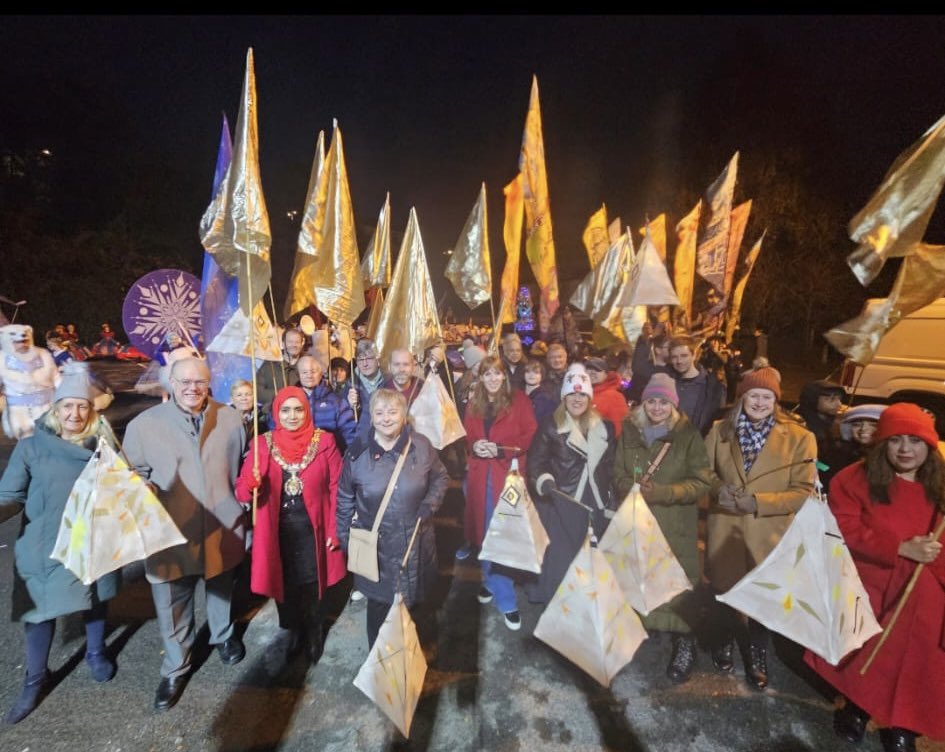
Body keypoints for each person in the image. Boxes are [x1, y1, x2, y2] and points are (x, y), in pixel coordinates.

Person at [806, 403, 945, 752]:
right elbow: (843, 527)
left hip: (927, 596)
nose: (905, 449)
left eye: (914, 440)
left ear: (929, 444)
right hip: (874, 584)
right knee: (866, 653)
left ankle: (903, 726)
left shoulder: (941, 486)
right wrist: (899, 548)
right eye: (895, 440)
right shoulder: (856, 478)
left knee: (914, 665)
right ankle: (857, 708)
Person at [122, 357, 247, 712]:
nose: (192, 388)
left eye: (200, 382)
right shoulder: (144, 425)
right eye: (184, 382)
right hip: (170, 529)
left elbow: (237, 464)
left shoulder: (230, 417)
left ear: (209, 384)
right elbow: (131, 473)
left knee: (221, 585)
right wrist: (141, 485)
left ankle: (222, 636)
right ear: (171, 384)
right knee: (172, 601)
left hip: (221, 522)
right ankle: (176, 666)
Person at [0, 364, 121, 724]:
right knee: (40, 611)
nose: (75, 413)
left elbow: (123, 486)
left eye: (83, 406)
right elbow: (10, 493)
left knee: (95, 598)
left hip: (93, 538)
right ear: (55, 409)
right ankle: (34, 679)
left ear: (92, 410)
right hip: (45, 541)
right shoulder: (31, 447)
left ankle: (96, 653)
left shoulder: (105, 444)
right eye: (67, 406)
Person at [704, 365, 817, 690]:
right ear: (742, 397)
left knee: (763, 599)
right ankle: (724, 639)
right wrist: (718, 489)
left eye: (767, 396)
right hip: (725, 527)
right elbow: (703, 470)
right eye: (753, 394)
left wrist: (757, 502)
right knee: (725, 591)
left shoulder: (799, 438)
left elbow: (802, 491)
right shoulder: (720, 430)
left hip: (768, 534)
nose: (759, 402)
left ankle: (757, 652)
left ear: (775, 400)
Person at [613, 373, 713, 684]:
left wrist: (664, 493)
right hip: (639, 523)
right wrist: (630, 488)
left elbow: (702, 482)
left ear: (674, 404)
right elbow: (616, 472)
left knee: (677, 584)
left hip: (674, 525)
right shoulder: (630, 431)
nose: (657, 407)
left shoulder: (688, 436)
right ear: (643, 403)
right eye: (652, 401)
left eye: (663, 401)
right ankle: (645, 631)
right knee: (641, 578)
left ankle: (685, 643)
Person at [235, 387, 344, 662]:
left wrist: (334, 529)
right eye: (285, 410)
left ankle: (315, 632)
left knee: (312, 584)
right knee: (284, 583)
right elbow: (242, 494)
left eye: (298, 409)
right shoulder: (262, 444)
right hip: (276, 531)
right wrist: (252, 482)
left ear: (306, 411)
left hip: (313, 528)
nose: (292, 416)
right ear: (276, 413)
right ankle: (292, 631)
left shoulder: (325, 441)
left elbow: (337, 487)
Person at [336, 389, 448, 648]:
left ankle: (411, 659)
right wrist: (345, 540)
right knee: (379, 608)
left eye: (392, 411)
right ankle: (380, 665)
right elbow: (344, 499)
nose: (386, 418)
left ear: (404, 415)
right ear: (371, 416)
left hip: (416, 544)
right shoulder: (357, 454)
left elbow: (441, 477)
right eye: (379, 412)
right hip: (377, 550)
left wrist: (430, 504)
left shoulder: (421, 445)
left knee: (416, 603)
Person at [527, 363, 617, 604]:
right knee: (562, 559)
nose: (577, 399)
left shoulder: (604, 427)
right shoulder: (551, 425)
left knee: (591, 558)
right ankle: (559, 608)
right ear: (564, 396)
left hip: (595, 502)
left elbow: (611, 465)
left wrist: (614, 497)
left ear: (589, 397)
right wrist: (545, 482)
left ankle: (585, 606)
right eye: (572, 394)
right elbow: (535, 464)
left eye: (582, 394)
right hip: (563, 502)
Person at [462, 355, 537, 630]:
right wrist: (476, 446)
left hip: (506, 475)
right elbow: (469, 436)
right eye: (487, 374)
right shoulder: (474, 403)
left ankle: (505, 597)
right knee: (484, 532)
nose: (492, 379)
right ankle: (489, 580)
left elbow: (529, 435)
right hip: (482, 476)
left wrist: (500, 449)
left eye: (497, 373)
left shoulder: (519, 400)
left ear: (504, 376)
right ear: (480, 378)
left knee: (503, 534)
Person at [294, 355, 357, 453]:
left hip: (328, 457)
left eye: (313, 372)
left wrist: (351, 457)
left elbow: (349, 432)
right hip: (297, 457)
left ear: (320, 374)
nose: (309, 376)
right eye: (304, 372)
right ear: (298, 375)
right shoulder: (291, 401)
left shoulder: (336, 401)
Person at [668, 335, 726, 436]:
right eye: (674, 357)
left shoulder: (712, 388)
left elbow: (718, 423)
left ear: (694, 355)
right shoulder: (667, 382)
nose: (679, 361)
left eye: (684, 356)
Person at [818, 403, 887, 489]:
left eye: (873, 425)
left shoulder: (892, 457)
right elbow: (820, 466)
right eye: (857, 424)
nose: (863, 429)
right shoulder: (838, 452)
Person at [257, 327, 306, 411]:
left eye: (297, 342)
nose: (294, 345)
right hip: (273, 415)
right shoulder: (270, 365)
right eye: (290, 342)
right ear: (283, 344)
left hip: (300, 414)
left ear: (302, 344)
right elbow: (257, 391)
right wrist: (280, 395)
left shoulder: (307, 365)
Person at [797, 380, 846, 460]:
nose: (839, 404)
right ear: (813, 400)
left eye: (839, 399)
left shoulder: (831, 422)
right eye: (831, 399)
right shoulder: (802, 427)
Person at [583, 355, 629, 438]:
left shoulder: (614, 397)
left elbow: (619, 429)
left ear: (606, 374)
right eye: (589, 369)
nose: (592, 372)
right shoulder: (579, 393)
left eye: (598, 370)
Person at [348, 338, 386, 436]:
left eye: (369, 358)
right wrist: (351, 407)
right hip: (362, 439)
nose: (365, 364)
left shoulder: (388, 381)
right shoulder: (351, 384)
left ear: (377, 359)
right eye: (360, 359)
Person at [627, 324, 673, 405]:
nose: (672, 350)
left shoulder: (674, 370)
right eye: (669, 348)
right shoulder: (645, 369)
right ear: (658, 350)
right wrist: (646, 338)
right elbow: (638, 364)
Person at [522, 357, 557, 424]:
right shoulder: (517, 396)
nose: (531, 375)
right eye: (528, 371)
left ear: (542, 375)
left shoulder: (547, 399)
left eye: (536, 372)